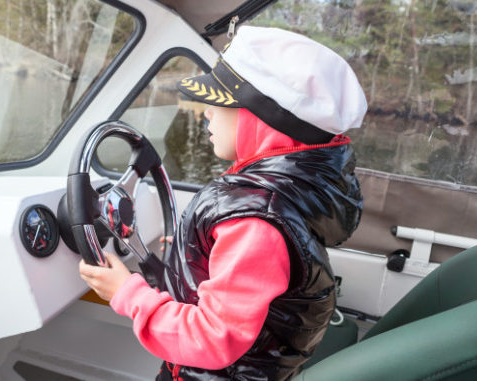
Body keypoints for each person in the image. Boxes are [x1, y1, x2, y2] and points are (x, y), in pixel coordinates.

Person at [79, 26, 367, 380]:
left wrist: (127, 293)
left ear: (262, 121)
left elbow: (213, 339)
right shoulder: (283, 195)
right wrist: (195, 258)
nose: (206, 114)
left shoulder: (255, 222)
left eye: (218, 103)